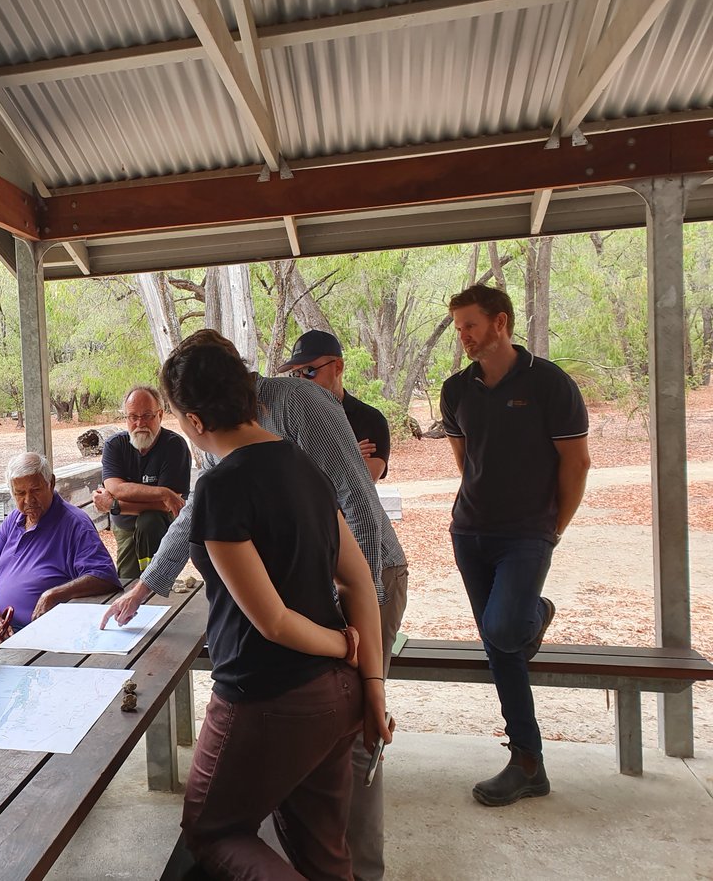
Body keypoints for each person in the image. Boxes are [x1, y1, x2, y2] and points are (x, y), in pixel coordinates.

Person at [103, 329, 407, 881]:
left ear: (194, 421)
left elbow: (271, 621)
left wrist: (343, 642)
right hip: (335, 690)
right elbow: (359, 579)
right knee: (322, 851)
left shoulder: (224, 484)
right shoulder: (301, 465)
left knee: (211, 831)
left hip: (265, 692)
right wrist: (366, 678)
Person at [441, 284, 590, 807]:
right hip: (470, 533)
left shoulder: (550, 384)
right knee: (500, 647)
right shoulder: (455, 389)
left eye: (471, 325)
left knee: (505, 629)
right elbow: (466, 460)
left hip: (527, 534)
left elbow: (577, 464)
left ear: (500, 323)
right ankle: (528, 762)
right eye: (458, 326)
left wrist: (553, 528)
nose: (462, 335)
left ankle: (534, 612)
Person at [0, 452, 120, 644]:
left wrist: (53, 594)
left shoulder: (74, 523)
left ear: (50, 483)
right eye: (20, 493)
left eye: (35, 490)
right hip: (1, 628)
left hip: (42, 635)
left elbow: (104, 575)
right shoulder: (14, 519)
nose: (28, 500)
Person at [93, 385, 191, 581]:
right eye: (133, 417)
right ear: (126, 418)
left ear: (160, 415)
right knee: (127, 580)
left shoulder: (174, 446)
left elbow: (167, 507)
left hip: (162, 525)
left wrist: (116, 505)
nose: (140, 423)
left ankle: (156, 583)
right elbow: (116, 488)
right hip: (125, 526)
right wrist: (163, 493)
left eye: (147, 416)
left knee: (150, 520)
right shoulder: (115, 445)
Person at [278, 329, 391, 482]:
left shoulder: (370, 420)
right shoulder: (286, 422)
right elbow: (283, 483)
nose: (302, 380)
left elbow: (361, 486)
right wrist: (347, 458)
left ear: (338, 367)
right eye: (296, 374)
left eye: (309, 371)